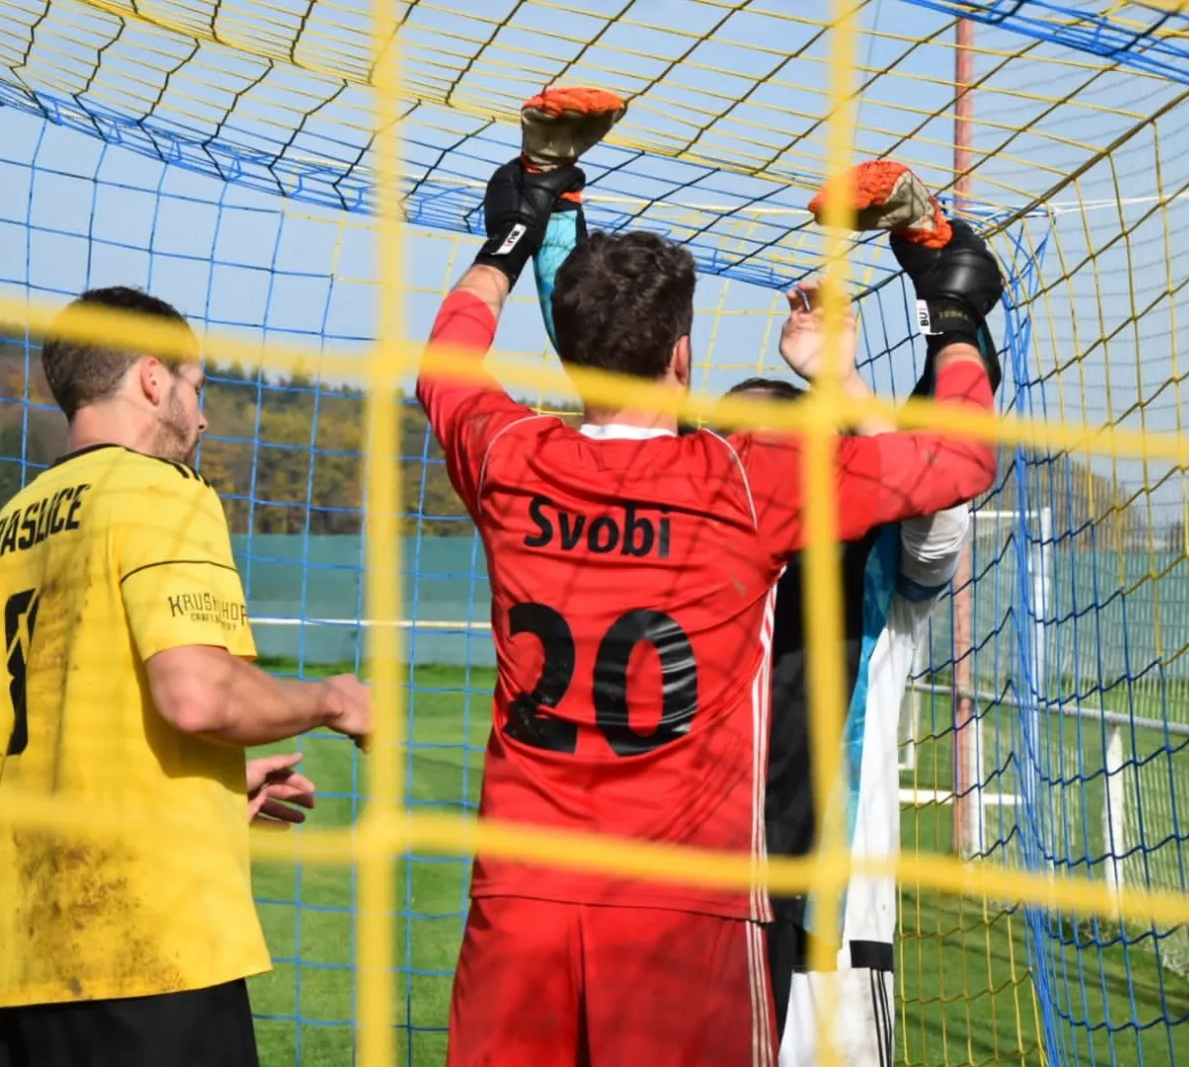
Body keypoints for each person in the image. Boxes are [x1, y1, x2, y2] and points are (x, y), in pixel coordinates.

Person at [417, 156, 1000, 1067]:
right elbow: (961, 460)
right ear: (682, 359)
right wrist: (953, 315)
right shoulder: (744, 480)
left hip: (523, 896)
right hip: (682, 912)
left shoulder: (511, 455)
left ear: (574, 355)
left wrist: (511, 240)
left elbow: (444, 365)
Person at [0, 286, 371, 1067]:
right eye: (196, 388)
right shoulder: (157, 492)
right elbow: (199, 692)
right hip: (148, 944)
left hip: (19, 961)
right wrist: (333, 699)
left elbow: (52, 739)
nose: (203, 418)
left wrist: (211, 789)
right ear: (152, 378)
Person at [727, 302, 978, 1064]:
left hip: (832, 952)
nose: (755, 463)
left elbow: (940, 512)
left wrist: (841, 381)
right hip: (701, 923)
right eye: (735, 445)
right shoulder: (693, 576)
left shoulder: (877, 576)